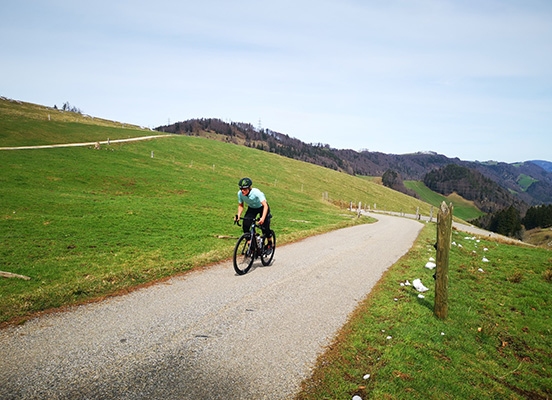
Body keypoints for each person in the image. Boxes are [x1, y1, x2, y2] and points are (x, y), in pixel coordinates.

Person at [234, 177, 273, 253]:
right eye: (241, 189)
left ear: (249, 188)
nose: (242, 191)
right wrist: (238, 215)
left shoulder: (256, 192)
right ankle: (252, 247)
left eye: (244, 189)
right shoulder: (240, 194)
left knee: (265, 226)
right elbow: (241, 205)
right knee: (245, 225)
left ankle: (270, 243)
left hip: (262, 207)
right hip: (252, 208)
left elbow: (265, 205)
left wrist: (262, 218)